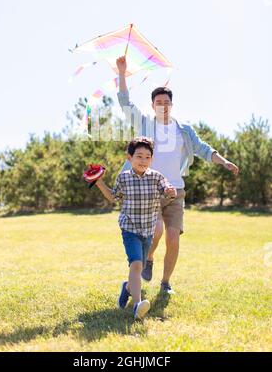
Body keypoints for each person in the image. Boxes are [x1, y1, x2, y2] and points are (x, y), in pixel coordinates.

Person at [116, 55, 239, 295]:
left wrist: (223, 161)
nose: (162, 105)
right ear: (152, 105)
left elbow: (203, 149)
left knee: (173, 237)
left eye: (166, 102)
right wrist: (122, 73)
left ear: (171, 105)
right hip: (148, 190)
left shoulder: (184, 130)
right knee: (157, 231)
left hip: (176, 190)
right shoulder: (144, 125)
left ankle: (165, 283)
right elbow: (124, 102)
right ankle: (148, 258)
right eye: (158, 102)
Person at [94, 137, 177, 320]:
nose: (143, 160)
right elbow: (113, 197)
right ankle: (137, 305)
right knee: (137, 264)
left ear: (152, 159)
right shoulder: (123, 177)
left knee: (137, 269)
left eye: (148, 157)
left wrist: (171, 192)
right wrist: (99, 182)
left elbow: (167, 189)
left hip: (147, 231)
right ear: (129, 158)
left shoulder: (156, 177)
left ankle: (128, 288)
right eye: (139, 156)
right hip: (130, 229)